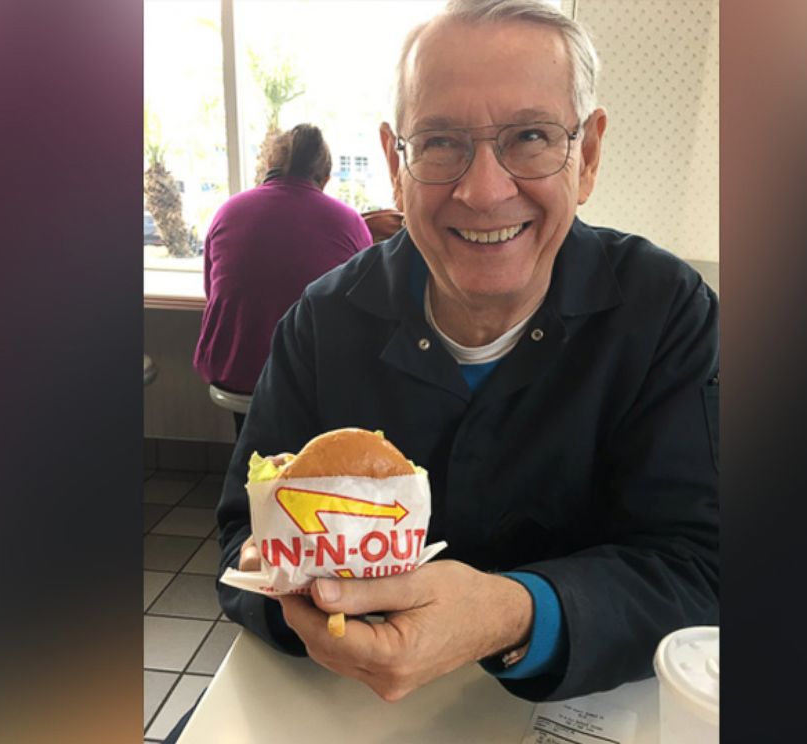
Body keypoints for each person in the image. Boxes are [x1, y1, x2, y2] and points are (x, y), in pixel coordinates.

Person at [217, 0, 719, 706]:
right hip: (341, 704)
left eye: (532, 136)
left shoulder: (667, 314)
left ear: (589, 155)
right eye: (442, 142)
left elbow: (700, 566)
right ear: (397, 163)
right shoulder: (321, 324)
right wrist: (298, 602)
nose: (484, 191)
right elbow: (240, 537)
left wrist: (512, 615)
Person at [193, 124, 373, 436]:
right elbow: (367, 303)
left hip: (234, 370)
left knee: (252, 446)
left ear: (268, 168)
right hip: (312, 377)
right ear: (325, 178)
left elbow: (212, 291)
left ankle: (249, 471)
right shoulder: (347, 221)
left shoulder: (227, 212)